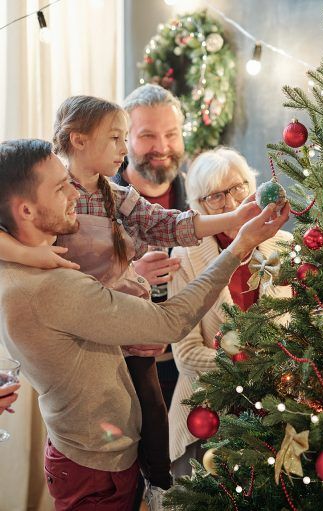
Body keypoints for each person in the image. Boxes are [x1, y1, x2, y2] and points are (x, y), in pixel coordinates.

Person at [0, 138, 289, 510]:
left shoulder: (25, 260)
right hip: (96, 464)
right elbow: (169, 323)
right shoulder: (53, 286)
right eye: (60, 188)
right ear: (24, 210)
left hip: (91, 450)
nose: (74, 194)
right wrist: (238, 248)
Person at [168, 147, 292, 479]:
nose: (231, 203)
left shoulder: (284, 245)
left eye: (237, 188)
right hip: (209, 414)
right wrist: (247, 364)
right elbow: (185, 354)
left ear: (252, 186)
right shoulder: (185, 257)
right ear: (198, 206)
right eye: (215, 197)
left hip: (276, 407)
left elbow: (297, 326)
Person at [112, 84, 187, 415]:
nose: (162, 147)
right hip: (121, 374)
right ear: (125, 140)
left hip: (193, 369)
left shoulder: (205, 200)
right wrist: (129, 278)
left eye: (171, 134)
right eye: (147, 136)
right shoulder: (95, 203)